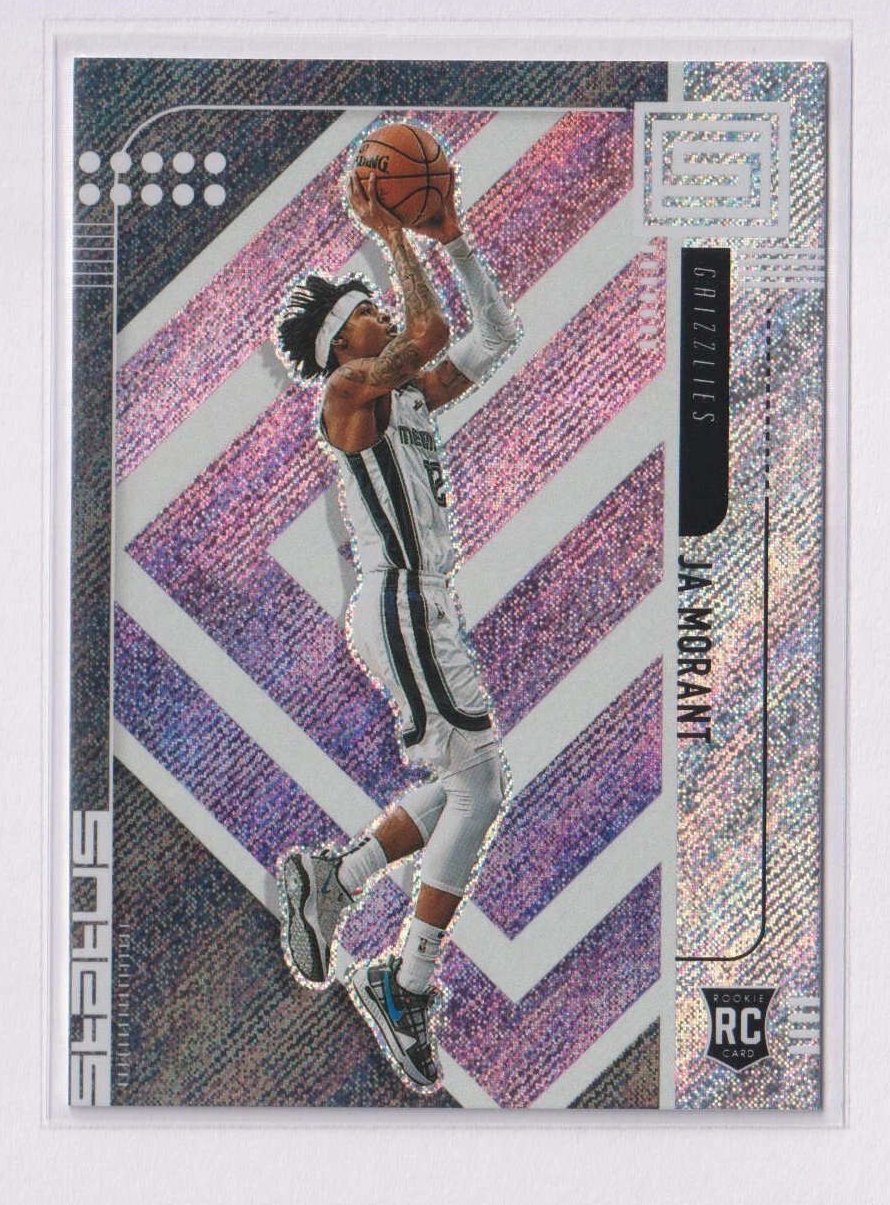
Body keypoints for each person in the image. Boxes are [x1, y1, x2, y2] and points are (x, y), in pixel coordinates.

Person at [273, 158, 519, 1092]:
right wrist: (391, 232)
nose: (380, 306)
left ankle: (338, 880)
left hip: (420, 602)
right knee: (481, 784)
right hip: (399, 599)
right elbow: (428, 332)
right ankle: (405, 983)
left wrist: (453, 237)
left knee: (468, 784)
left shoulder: (405, 394)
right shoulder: (347, 395)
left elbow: (493, 332)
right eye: (365, 309)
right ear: (344, 344)